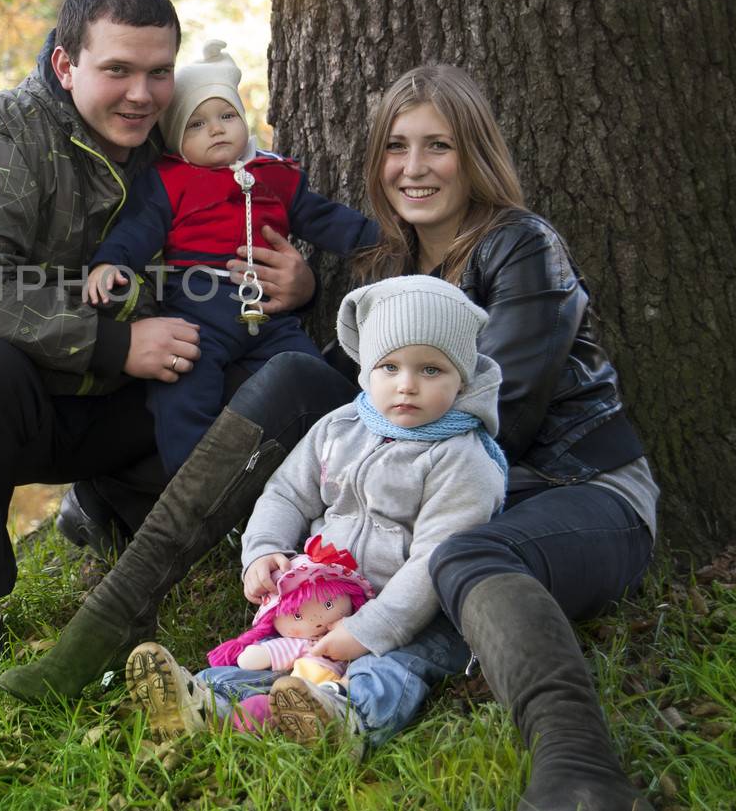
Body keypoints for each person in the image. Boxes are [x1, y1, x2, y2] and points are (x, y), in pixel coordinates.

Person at [0, 63, 658, 811]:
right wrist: (309, 301)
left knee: (466, 551)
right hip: (433, 503)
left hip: (570, 490)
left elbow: (510, 413)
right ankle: (114, 615)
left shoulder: (521, 245)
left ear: (474, 153)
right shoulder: (387, 263)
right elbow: (343, 407)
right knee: (291, 377)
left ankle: (580, 770)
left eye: (438, 146)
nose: (413, 168)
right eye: (396, 147)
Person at [0, 0, 312, 670]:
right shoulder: (0, 132)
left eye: (157, 72)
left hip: (139, 400)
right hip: (22, 396)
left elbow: (262, 205)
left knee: (268, 375)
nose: (142, 94)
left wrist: (298, 280)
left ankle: (110, 505)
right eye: (117, 69)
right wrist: (112, 341)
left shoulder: (183, 135)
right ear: (66, 63)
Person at [124, 276, 507, 739]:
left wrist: (372, 629)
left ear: (462, 376)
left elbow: (435, 558)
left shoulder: (462, 458)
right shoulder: (339, 428)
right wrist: (263, 549)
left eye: (431, 370)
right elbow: (287, 492)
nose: (407, 386)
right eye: (389, 367)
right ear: (366, 369)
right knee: (278, 654)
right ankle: (207, 704)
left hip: (414, 616)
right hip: (324, 602)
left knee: (389, 670)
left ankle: (344, 718)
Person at [85, 40, 373, 474]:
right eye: (196, 124)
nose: (216, 129)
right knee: (181, 391)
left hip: (272, 318)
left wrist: (378, 241)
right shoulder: (171, 180)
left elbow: (325, 218)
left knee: (313, 380)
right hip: (200, 311)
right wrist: (110, 263)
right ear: (177, 140)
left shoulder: (275, 174)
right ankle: (195, 491)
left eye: (226, 116)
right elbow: (139, 229)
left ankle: (344, 470)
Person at [124, 535, 374, 735]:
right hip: (295, 671)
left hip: (371, 635)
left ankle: (339, 715)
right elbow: (285, 494)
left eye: (328, 604)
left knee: (378, 672)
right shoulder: (294, 643)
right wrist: (263, 547)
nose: (317, 618)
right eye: (296, 615)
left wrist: (365, 631)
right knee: (251, 677)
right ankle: (202, 701)